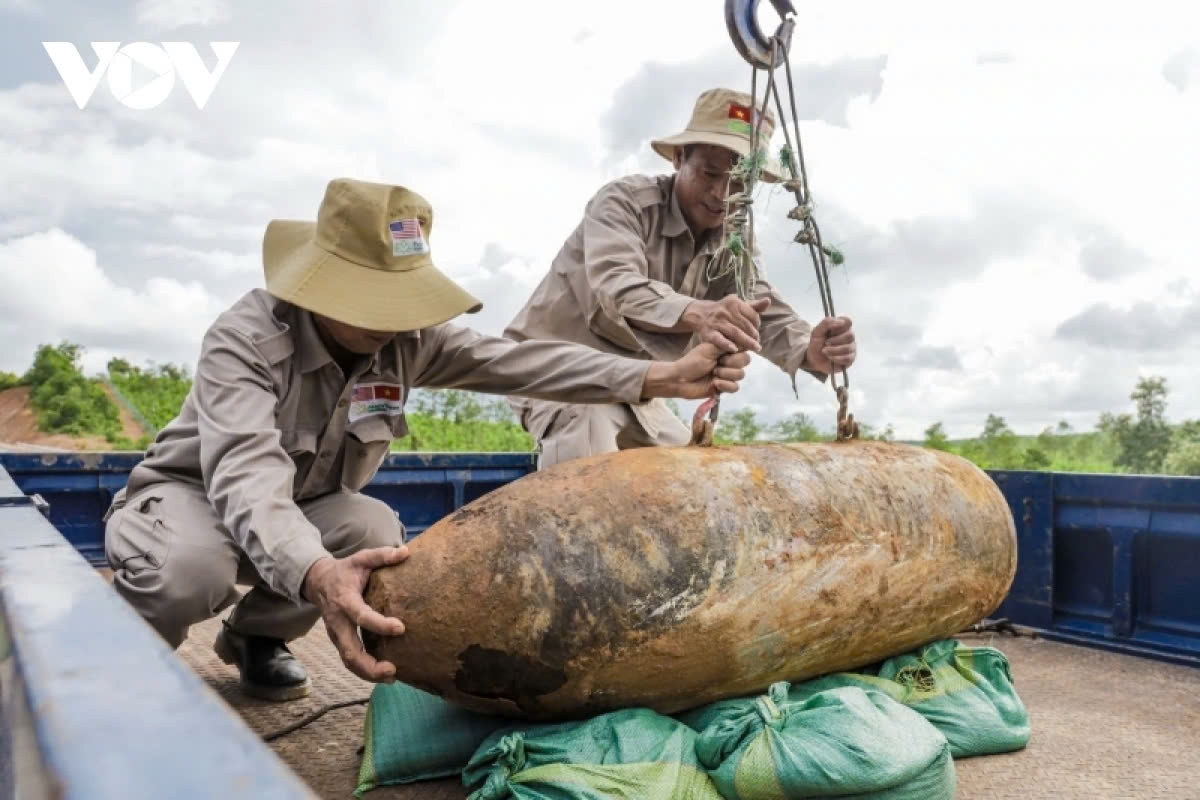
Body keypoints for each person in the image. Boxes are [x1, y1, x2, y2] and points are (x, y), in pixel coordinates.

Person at [102, 177, 750, 702]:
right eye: (375, 301)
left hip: (303, 505)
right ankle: (112, 669)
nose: (395, 321)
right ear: (322, 284)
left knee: (375, 533)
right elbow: (245, 477)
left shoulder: (408, 340)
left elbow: (523, 363)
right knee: (190, 571)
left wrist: (662, 375)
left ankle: (255, 638)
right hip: (198, 498)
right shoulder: (246, 338)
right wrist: (319, 572)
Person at [503, 87, 858, 467]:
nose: (722, 194)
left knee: (704, 474)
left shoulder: (735, 240)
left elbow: (758, 305)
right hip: (557, 371)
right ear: (678, 157)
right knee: (587, 441)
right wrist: (700, 313)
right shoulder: (623, 204)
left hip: (637, 391)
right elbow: (618, 287)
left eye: (741, 184)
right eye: (710, 174)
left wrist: (809, 350)